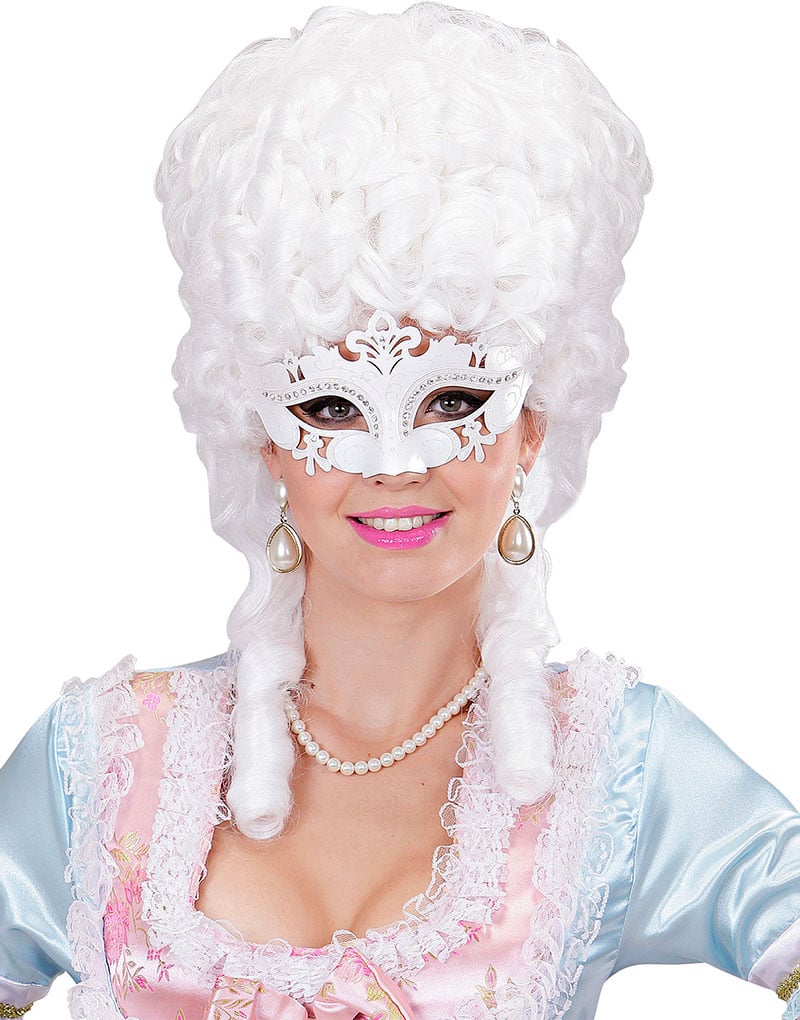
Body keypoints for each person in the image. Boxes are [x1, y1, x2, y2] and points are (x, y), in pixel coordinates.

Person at [1, 4, 798, 1019]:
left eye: (454, 401)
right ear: (262, 437)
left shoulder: (616, 768)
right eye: (331, 407)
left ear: (533, 427)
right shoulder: (103, 762)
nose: (395, 462)